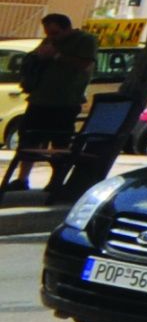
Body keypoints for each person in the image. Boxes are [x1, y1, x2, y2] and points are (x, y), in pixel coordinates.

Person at [7, 13, 97, 193]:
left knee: (60, 143)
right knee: (28, 140)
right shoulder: (49, 42)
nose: (51, 37)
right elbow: (33, 59)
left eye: (55, 33)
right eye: (48, 33)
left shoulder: (84, 41)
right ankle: (22, 179)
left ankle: (56, 181)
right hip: (39, 99)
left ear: (67, 29)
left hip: (64, 102)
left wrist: (56, 56)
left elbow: (85, 65)